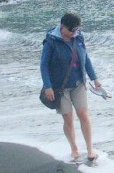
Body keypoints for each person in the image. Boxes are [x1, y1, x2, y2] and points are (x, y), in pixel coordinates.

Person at [40, 12, 102, 162]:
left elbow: (85, 59)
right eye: (71, 30)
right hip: (59, 88)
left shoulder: (79, 38)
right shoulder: (51, 42)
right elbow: (44, 66)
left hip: (78, 84)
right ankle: (74, 148)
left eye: (76, 30)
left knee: (84, 115)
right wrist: (48, 86)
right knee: (68, 118)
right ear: (62, 27)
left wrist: (95, 78)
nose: (74, 33)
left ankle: (90, 149)